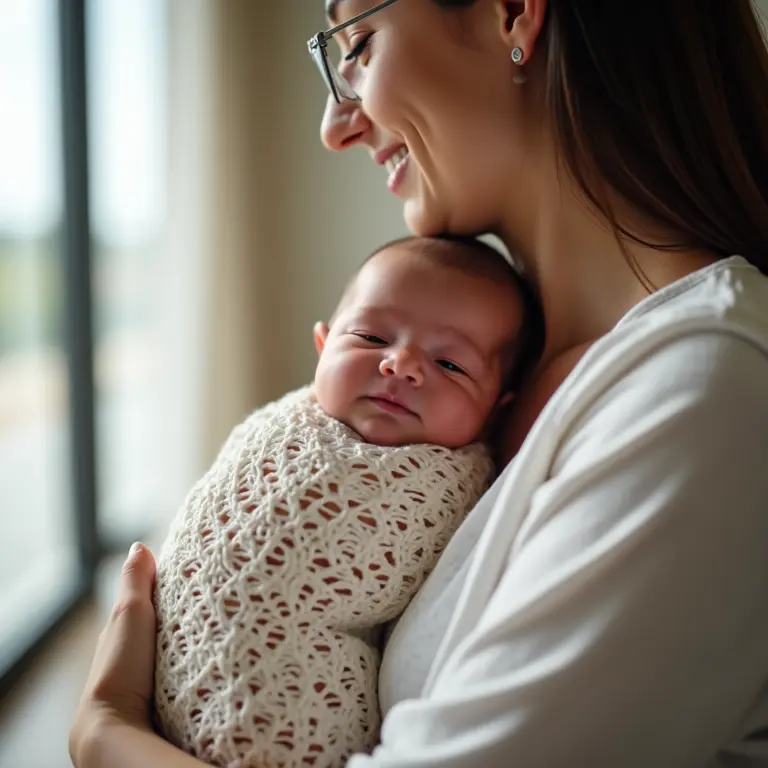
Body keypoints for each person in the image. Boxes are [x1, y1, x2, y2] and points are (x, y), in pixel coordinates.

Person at [70, 1, 768, 766]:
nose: (335, 127)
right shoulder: (490, 387)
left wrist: (107, 734)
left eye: (359, 44)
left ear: (513, 13)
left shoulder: (705, 393)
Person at [152, 234, 537, 767]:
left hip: (294, 729)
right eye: (371, 337)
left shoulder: (458, 485)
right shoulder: (284, 423)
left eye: (450, 365)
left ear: (496, 410)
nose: (401, 364)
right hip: (168, 680)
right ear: (323, 344)